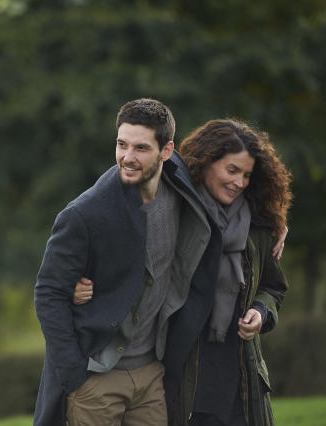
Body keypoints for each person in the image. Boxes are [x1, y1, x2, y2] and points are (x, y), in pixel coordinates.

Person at [76, 119, 291, 425]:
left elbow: (274, 287)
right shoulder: (175, 211)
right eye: (232, 170)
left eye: (246, 175)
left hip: (243, 381)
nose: (239, 182)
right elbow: (124, 261)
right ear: (205, 163)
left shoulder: (259, 225)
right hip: (183, 377)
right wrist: (77, 282)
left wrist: (261, 311)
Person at [33, 98, 223, 426]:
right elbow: (48, 294)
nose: (127, 157)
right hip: (96, 377)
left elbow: (236, 177)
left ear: (166, 151)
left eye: (141, 148)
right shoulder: (84, 214)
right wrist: (75, 377)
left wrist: (275, 222)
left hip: (152, 374)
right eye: (121, 144)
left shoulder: (179, 181)